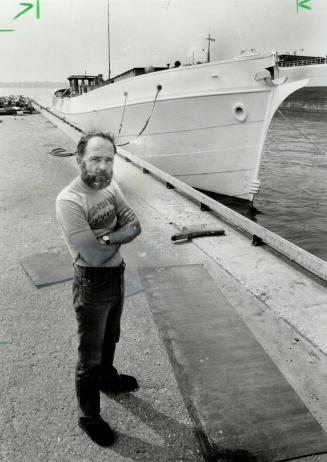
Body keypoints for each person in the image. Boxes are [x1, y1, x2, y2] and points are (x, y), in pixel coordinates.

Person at [56, 131, 141, 447]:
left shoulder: (111, 186)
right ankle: (88, 416)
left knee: (111, 336)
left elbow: (136, 226)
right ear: (79, 159)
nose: (104, 166)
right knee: (89, 356)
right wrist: (116, 235)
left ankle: (108, 379)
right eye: (96, 158)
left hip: (116, 275)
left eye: (109, 159)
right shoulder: (69, 201)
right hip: (90, 283)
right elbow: (90, 254)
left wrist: (105, 237)